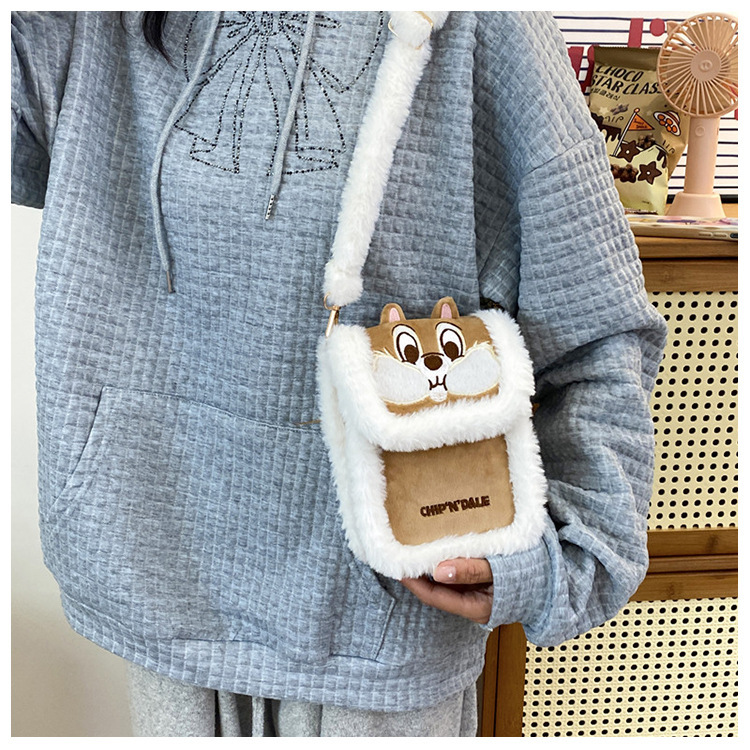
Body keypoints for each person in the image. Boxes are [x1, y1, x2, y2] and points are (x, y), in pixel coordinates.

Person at [11, 11, 667, 737]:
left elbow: (593, 322)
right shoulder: (91, 27)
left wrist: (565, 553)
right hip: (161, 567)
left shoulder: (486, 27)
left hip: (380, 615)